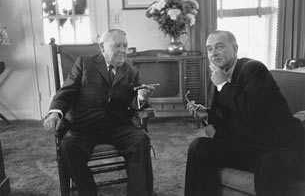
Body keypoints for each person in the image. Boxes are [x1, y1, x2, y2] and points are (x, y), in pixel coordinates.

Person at [184, 30, 304, 196]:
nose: (214, 53)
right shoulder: (219, 76)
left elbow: (253, 114)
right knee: (199, 147)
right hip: (248, 146)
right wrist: (208, 115)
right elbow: (230, 119)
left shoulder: (254, 69)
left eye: (219, 47)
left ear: (235, 49)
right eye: (210, 49)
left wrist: (223, 86)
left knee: (269, 164)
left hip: (278, 146)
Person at [43, 29, 156, 196]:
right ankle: (87, 191)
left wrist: (140, 97)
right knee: (69, 146)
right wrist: (55, 113)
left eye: (125, 46)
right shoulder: (84, 64)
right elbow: (66, 93)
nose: (123, 50)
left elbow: (134, 104)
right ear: (102, 47)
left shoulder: (131, 71)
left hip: (117, 126)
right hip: (84, 127)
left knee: (141, 139)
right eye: (117, 45)